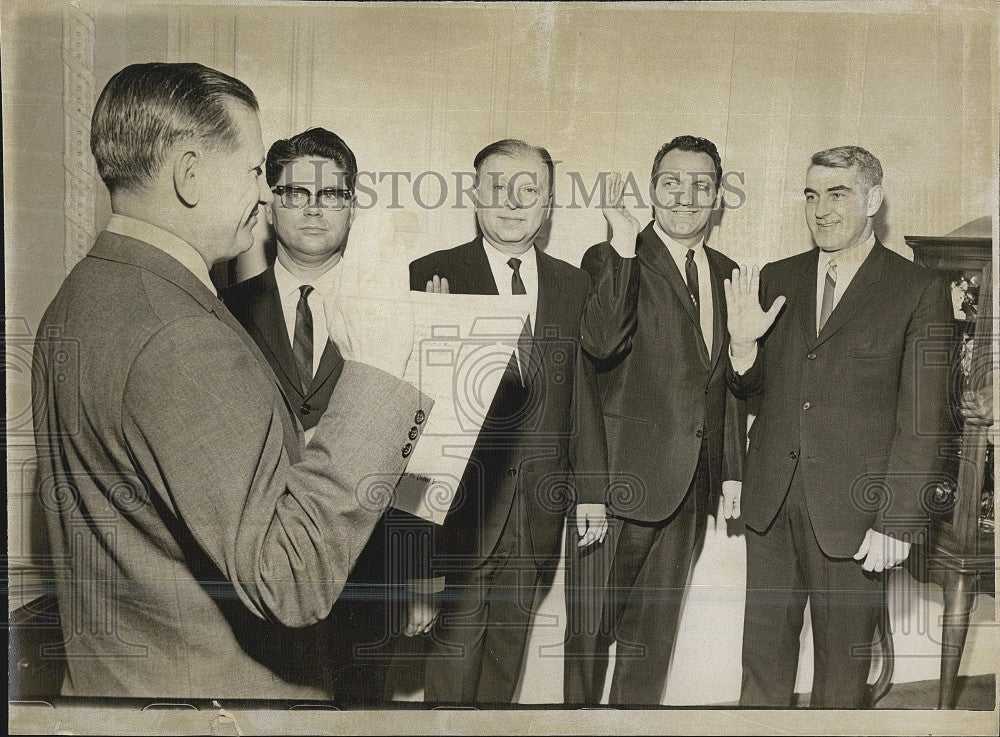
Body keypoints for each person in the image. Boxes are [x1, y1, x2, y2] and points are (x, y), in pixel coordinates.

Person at [31, 62, 428, 699]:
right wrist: (377, 379)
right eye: (253, 172)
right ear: (189, 175)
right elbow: (292, 577)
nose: (267, 198)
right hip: (217, 705)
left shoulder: (80, 296)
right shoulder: (178, 334)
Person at [725, 145, 953, 708]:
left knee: (841, 676)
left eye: (838, 193)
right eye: (811, 195)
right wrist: (742, 344)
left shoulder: (918, 289)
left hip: (858, 513)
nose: (821, 209)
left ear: (873, 199)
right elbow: (753, 391)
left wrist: (897, 520)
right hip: (771, 502)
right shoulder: (777, 277)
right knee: (762, 666)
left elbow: (925, 419)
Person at [221, 127, 430, 704]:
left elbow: (417, 452)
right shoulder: (220, 313)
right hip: (258, 571)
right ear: (270, 204)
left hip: (368, 571)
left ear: (353, 206)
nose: (313, 208)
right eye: (295, 193)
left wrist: (414, 571)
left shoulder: (398, 314)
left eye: (331, 195)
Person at [408, 139, 606, 703]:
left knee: (506, 660)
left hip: (540, 508)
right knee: (453, 662)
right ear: (474, 195)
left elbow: (584, 393)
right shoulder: (431, 274)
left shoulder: (574, 284)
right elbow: (413, 416)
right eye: (498, 187)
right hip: (461, 511)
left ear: (547, 204)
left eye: (529, 189)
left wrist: (591, 491)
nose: (512, 202)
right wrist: (414, 538)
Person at [566, 136, 746, 705]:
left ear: (718, 196)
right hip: (617, 489)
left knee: (652, 644)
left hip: (691, 490)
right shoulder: (611, 257)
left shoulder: (728, 270)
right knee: (589, 637)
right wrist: (621, 246)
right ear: (653, 189)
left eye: (702, 184)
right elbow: (597, 344)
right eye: (673, 182)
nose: (686, 196)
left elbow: (724, 380)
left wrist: (731, 472)